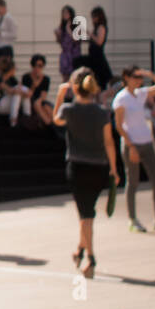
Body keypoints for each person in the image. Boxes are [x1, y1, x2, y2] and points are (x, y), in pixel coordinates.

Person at [52, 66, 118, 280]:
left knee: (85, 216)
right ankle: (80, 250)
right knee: (87, 214)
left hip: (78, 167)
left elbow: (55, 120)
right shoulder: (101, 113)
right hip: (99, 167)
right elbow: (109, 142)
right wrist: (114, 169)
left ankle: (90, 258)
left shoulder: (69, 110)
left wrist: (61, 95)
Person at [112, 66, 155, 234]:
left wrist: (149, 74)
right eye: (135, 77)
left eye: (139, 77)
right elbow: (118, 125)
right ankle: (132, 219)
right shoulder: (121, 98)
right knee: (132, 182)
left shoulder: (141, 93)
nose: (138, 80)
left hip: (147, 142)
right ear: (126, 77)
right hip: (131, 144)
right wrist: (131, 146)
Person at [0, 55, 28, 126]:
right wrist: (19, 91)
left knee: (24, 91)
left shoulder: (12, 80)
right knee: (17, 95)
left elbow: (20, 89)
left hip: (9, 103)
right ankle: (13, 121)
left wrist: (24, 92)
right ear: (11, 70)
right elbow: (10, 90)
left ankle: (27, 117)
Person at [23, 54, 53, 127]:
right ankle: (49, 124)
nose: (37, 68)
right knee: (37, 104)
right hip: (29, 101)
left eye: (40, 66)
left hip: (40, 100)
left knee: (47, 108)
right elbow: (28, 94)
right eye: (35, 65)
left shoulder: (46, 79)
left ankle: (54, 126)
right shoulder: (26, 77)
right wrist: (34, 85)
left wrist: (39, 101)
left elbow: (43, 95)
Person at [55, 6, 82, 83]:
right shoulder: (61, 27)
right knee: (65, 78)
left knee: (75, 78)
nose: (64, 15)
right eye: (63, 13)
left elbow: (77, 40)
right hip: (65, 55)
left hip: (74, 55)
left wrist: (69, 30)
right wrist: (58, 35)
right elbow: (61, 43)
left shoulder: (77, 26)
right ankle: (66, 94)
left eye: (66, 13)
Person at [88, 7, 112, 90]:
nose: (93, 19)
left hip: (98, 59)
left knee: (100, 83)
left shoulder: (101, 27)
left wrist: (90, 34)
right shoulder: (96, 28)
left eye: (94, 17)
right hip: (93, 58)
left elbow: (99, 42)